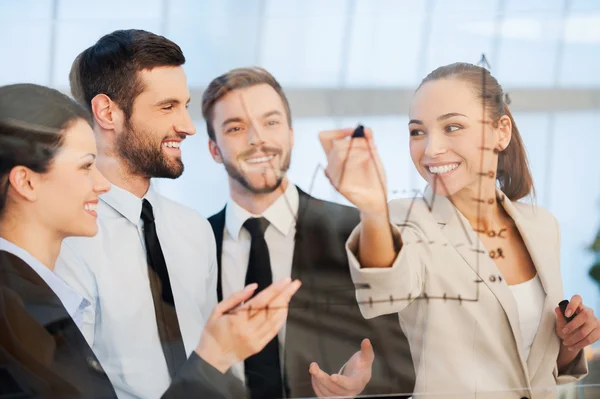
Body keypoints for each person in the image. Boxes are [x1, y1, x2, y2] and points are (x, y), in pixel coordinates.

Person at [0, 83, 300, 399]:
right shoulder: (16, 312)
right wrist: (212, 357)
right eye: (86, 166)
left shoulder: (35, 300)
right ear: (26, 181)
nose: (102, 184)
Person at [319, 62, 600, 399]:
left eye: (452, 127)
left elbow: (539, 367)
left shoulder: (542, 227)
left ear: (501, 132)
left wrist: (571, 342)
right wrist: (371, 208)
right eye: (417, 131)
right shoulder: (404, 219)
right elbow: (385, 290)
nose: (431, 149)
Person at [201, 67, 415, 398]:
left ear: (290, 133)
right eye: (236, 127)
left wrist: (359, 384)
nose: (257, 138)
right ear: (214, 149)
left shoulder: (355, 232)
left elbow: (400, 362)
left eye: (270, 122)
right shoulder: (190, 244)